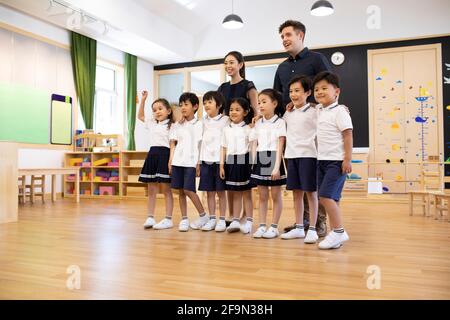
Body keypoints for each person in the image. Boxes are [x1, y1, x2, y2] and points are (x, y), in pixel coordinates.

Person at [274, 19, 331, 237]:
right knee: (298, 184)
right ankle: (302, 223)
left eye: (288, 35)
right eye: (282, 37)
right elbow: (277, 96)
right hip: (292, 129)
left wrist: (319, 106)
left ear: (301, 36)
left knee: (314, 182)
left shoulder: (317, 59)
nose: (285, 40)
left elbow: (330, 85)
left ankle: (320, 222)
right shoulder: (282, 67)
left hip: (316, 128)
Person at [313, 71, 353, 249]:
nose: (319, 92)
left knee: (325, 197)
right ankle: (335, 234)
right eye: (316, 89)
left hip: (336, 162)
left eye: (324, 88)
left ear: (337, 92)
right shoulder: (319, 110)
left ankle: (339, 231)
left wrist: (348, 159)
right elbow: (306, 106)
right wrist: (291, 104)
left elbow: (348, 135)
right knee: (333, 199)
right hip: (321, 160)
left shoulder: (340, 111)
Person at [218, 51, 258, 225]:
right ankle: (233, 217)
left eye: (232, 62)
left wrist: (252, 127)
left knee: (245, 184)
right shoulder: (222, 88)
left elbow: (256, 112)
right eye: (226, 63)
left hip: (246, 137)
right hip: (229, 134)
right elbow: (219, 113)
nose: (228, 66)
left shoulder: (249, 85)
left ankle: (244, 217)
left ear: (241, 64)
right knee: (231, 182)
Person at [281, 76, 319, 244]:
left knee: (311, 193)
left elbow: (330, 111)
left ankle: (312, 229)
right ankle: (298, 227)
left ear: (307, 92)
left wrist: (342, 107)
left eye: (297, 91)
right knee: (296, 193)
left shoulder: (315, 111)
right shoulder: (288, 113)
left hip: (309, 155)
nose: (293, 95)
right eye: (291, 91)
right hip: (291, 155)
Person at [169, 92, 209, 232]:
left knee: (189, 189)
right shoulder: (177, 125)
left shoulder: (200, 124)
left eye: (186, 104)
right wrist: (170, 161)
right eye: (181, 105)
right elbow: (173, 144)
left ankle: (203, 216)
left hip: (191, 162)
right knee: (180, 191)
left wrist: (198, 162)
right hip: (177, 161)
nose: (183, 107)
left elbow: (201, 145)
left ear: (195, 106)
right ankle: (184, 219)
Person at [249, 89, 286, 239]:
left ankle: (274, 227)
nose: (261, 105)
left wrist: (276, 167)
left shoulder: (280, 122)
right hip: (260, 158)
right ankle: (262, 225)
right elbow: (253, 142)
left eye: (264, 102)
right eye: (259, 103)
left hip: (274, 158)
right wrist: (253, 163)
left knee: (276, 195)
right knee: (262, 196)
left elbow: (280, 145)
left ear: (275, 103)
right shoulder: (258, 123)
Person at [138, 92, 175, 230]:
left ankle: (168, 218)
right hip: (152, 155)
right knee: (151, 189)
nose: (157, 112)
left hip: (165, 156)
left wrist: (170, 160)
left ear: (168, 111)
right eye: (154, 110)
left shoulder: (172, 125)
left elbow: (172, 145)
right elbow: (140, 116)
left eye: (160, 108)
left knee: (166, 190)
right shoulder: (152, 123)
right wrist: (143, 100)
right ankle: (150, 217)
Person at [220, 97, 255, 234]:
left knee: (246, 193)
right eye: (231, 110)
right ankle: (235, 219)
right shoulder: (226, 129)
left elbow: (252, 147)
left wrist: (253, 164)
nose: (233, 112)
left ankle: (249, 221)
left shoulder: (248, 129)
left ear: (245, 112)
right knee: (234, 192)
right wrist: (221, 165)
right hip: (230, 160)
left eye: (237, 110)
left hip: (244, 160)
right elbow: (223, 147)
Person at [198, 91, 229, 232]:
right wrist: (198, 161)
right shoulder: (203, 121)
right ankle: (211, 219)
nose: (206, 105)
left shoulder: (226, 120)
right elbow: (199, 142)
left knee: (221, 192)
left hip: (220, 161)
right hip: (206, 160)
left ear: (219, 104)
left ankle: (222, 219)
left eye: (209, 102)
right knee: (209, 192)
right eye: (204, 103)